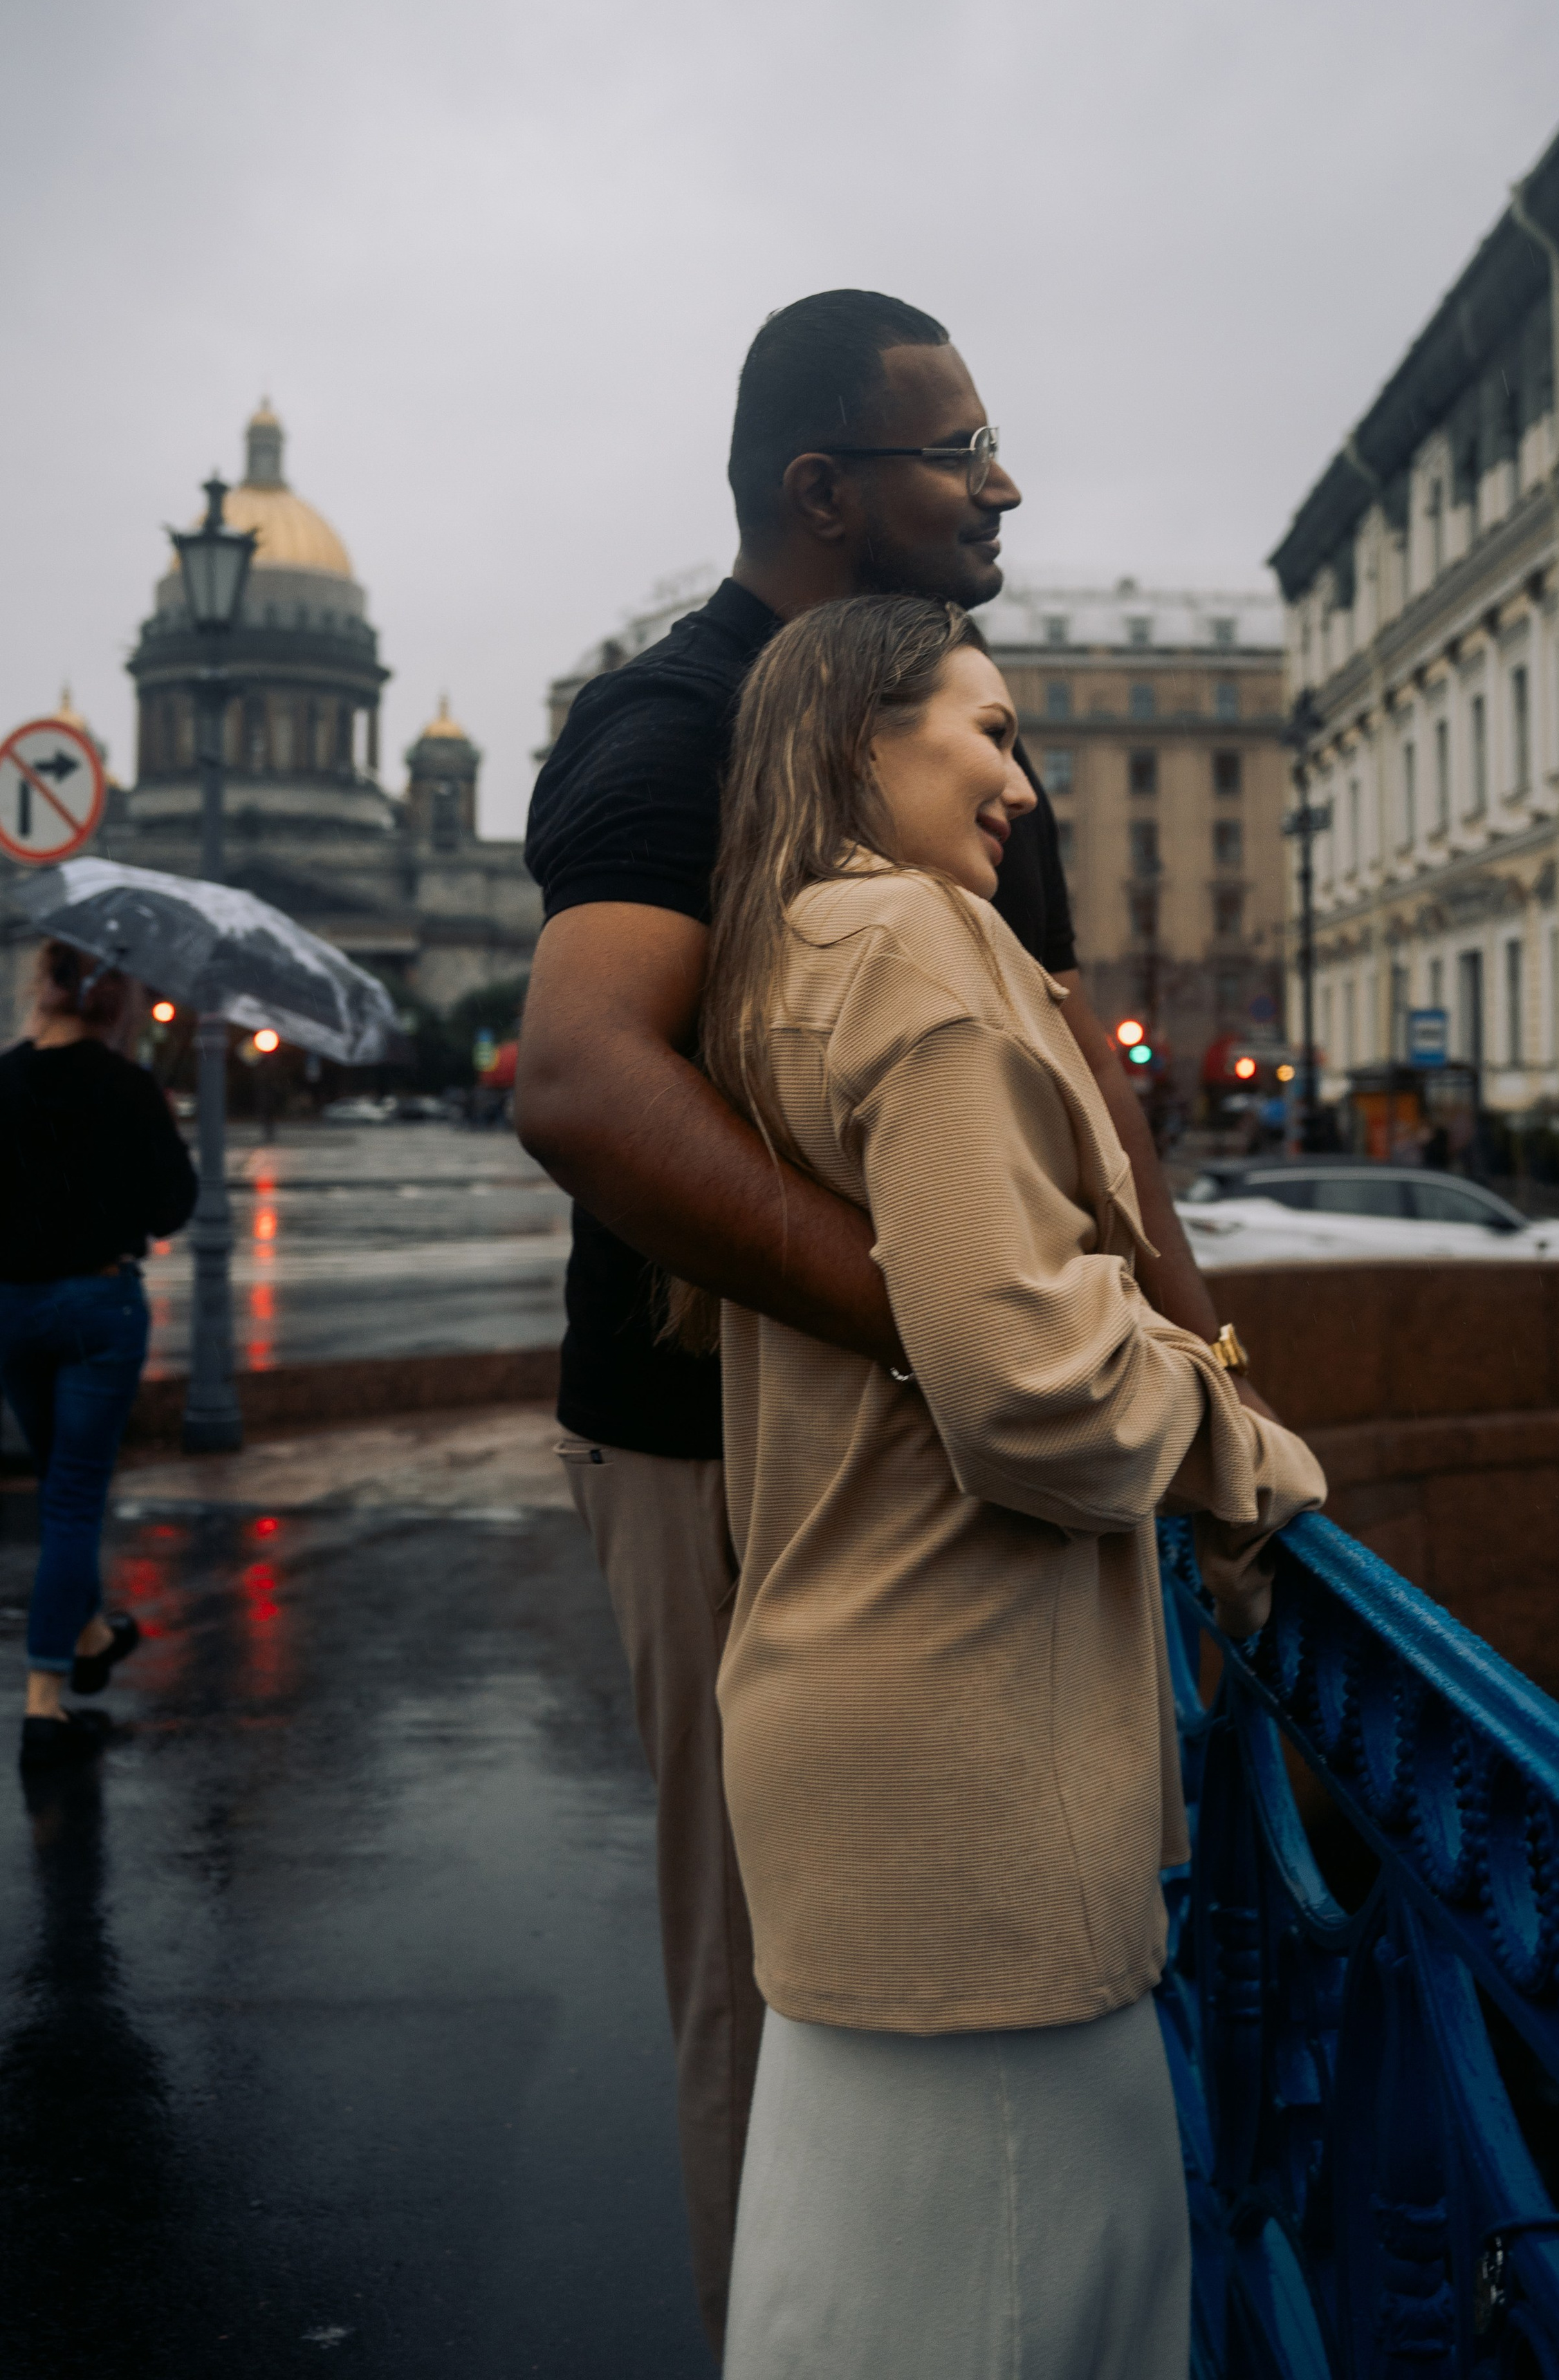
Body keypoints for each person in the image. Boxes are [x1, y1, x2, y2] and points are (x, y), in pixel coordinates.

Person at [517, 289, 1277, 2352]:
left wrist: (1204, 1361)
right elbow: (579, 1077)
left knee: (989, 2002)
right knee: (785, 1997)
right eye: (956, 451)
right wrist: (958, 1320)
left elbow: (1089, 1077)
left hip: (965, 1446)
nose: (1001, 483)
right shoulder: (674, 717)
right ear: (822, 489)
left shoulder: (954, 737)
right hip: (710, 1451)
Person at [688, 595, 1325, 2376]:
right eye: (988, 730)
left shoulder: (786, 951)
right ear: (859, 737)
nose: (1022, 785)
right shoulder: (917, 942)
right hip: (969, 1774)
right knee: (1036, 2298)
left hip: (854, 1749)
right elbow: (1029, 1392)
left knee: (859, 2299)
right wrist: (1236, 1439)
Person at [0, 942, 197, 1769]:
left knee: (61, 1489)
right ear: (116, 1001)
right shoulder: (127, 1087)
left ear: (40, 983)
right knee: (76, 1501)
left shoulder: (3, 1078)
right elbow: (174, 1206)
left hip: (13, 1309)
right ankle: (45, 1704)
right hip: (97, 1307)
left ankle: (87, 1634)